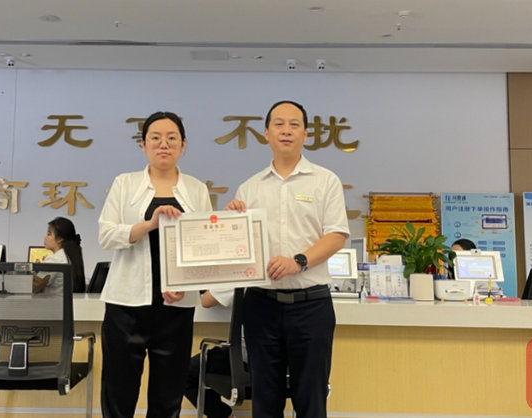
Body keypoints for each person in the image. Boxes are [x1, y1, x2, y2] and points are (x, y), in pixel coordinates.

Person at [225, 100, 349, 417]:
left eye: (294, 124)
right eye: (278, 124)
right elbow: (240, 249)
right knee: (265, 402)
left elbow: (336, 235)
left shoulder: (325, 181)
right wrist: (232, 223)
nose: (286, 130)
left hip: (312, 306)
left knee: (311, 400)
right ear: (266, 133)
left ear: (306, 134)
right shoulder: (250, 188)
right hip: (261, 305)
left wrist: (299, 261)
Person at [98, 111, 213, 418]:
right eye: (156, 138)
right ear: (143, 145)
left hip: (176, 307)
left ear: (183, 145)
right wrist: (148, 225)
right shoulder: (125, 183)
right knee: (118, 394)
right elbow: (106, 235)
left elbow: (203, 248)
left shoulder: (197, 189)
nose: (164, 144)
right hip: (126, 305)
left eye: (172, 138)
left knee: (168, 397)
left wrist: (186, 285)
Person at [184, 290, 239, 418]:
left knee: (186, 374)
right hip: (278, 369)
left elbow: (206, 301)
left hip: (245, 361)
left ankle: (225, 415)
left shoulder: (239, 279)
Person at [32, 217, 86, 294]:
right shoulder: (67, 257)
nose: (45, 237)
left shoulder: (55, 260)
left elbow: (35, 286)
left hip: (51, 301)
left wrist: (33, 271)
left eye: (49, 234)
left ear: (60, 239)